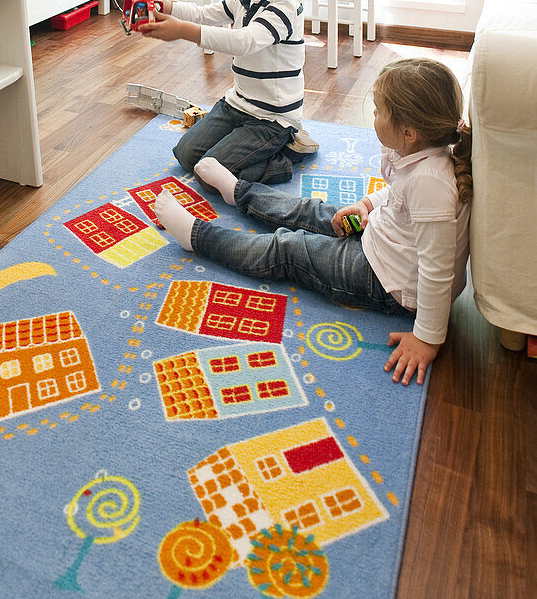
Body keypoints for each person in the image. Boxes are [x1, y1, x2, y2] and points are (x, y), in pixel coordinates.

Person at [154, 57, 472, 386]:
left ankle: (197, 236)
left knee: (288, 248)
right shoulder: (424, 157)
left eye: (379, 111)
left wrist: (427, 338)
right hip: (386, 243)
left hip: (389, 281)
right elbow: (398, 196)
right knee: (311, 210)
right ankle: (239, 192)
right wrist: (366, 204)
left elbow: (437, 269)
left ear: (409, 132)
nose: (374, 116)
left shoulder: (431, 184)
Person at [139, 0, 313, 185]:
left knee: (208, 173)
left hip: (271, 118)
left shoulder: (285, 8)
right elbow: (206, 14)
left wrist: (184, 31)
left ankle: (283, 153)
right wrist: (167, 6)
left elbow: (245, 41)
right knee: (186, 155)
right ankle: (253, 146)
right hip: (238, 103)